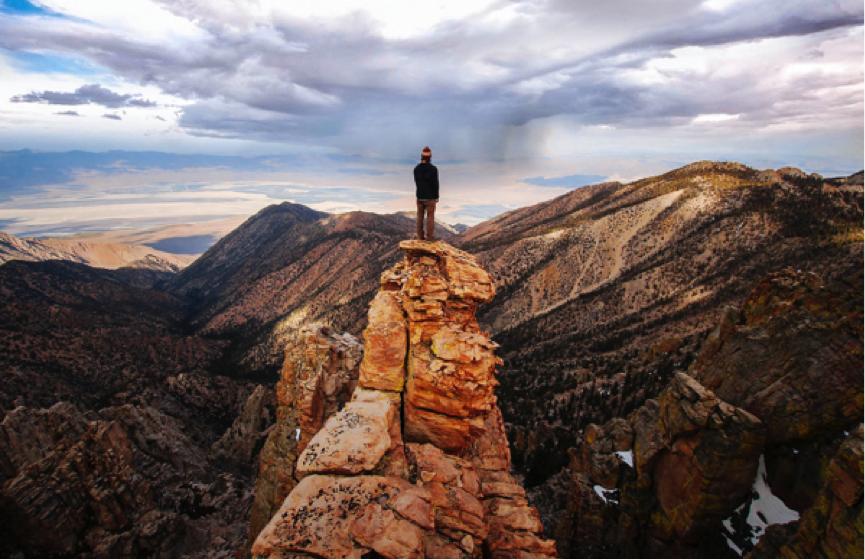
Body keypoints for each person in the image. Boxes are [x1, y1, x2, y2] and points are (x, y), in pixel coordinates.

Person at [413, 146, 439, 241]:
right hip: (430, 197)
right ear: (430, 157)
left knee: (419, 217)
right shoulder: (433, 169)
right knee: (430, 217)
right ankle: (429, 238)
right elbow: (435, 184)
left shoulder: (416, 169)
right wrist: (436, 197)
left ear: (421, 156)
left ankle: (420, 237)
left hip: (420, 196)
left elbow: (417, 182)